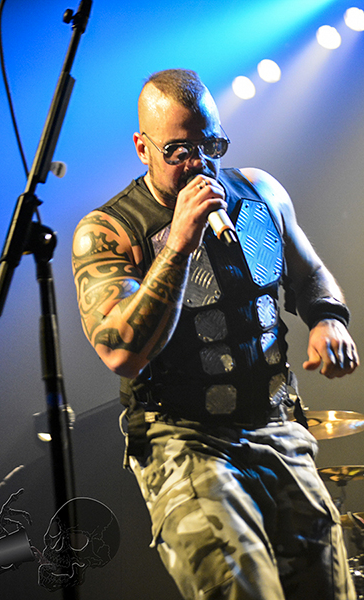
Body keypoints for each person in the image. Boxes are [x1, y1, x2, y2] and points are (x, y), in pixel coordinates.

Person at [72, 68, 360, 599]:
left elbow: (309, 272)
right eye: (178, 151)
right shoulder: (111, 229)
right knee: (243, 587)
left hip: (276, 426)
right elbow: (121, 353)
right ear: (142, 148)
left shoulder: (259, 193)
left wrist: (328, 319)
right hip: (186, 440)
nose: (199, 163)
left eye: (211, 145)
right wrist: (179, 243)